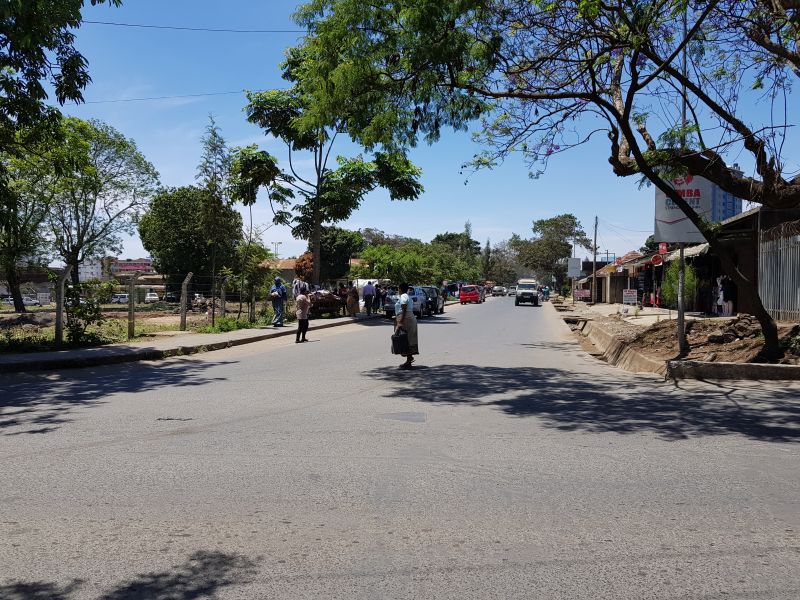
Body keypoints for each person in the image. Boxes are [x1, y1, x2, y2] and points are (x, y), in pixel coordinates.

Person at [394, 282, 419, 369]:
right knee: (406, 339)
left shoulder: (403, 296)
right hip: (408, 318)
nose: (398, 290)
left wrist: (400, 321)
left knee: (403, 339)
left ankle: (409, 359)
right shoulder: (406, 296)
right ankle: (409, 359)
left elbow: (404, 307)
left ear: (400, 289)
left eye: (398, 288)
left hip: (406, 319)